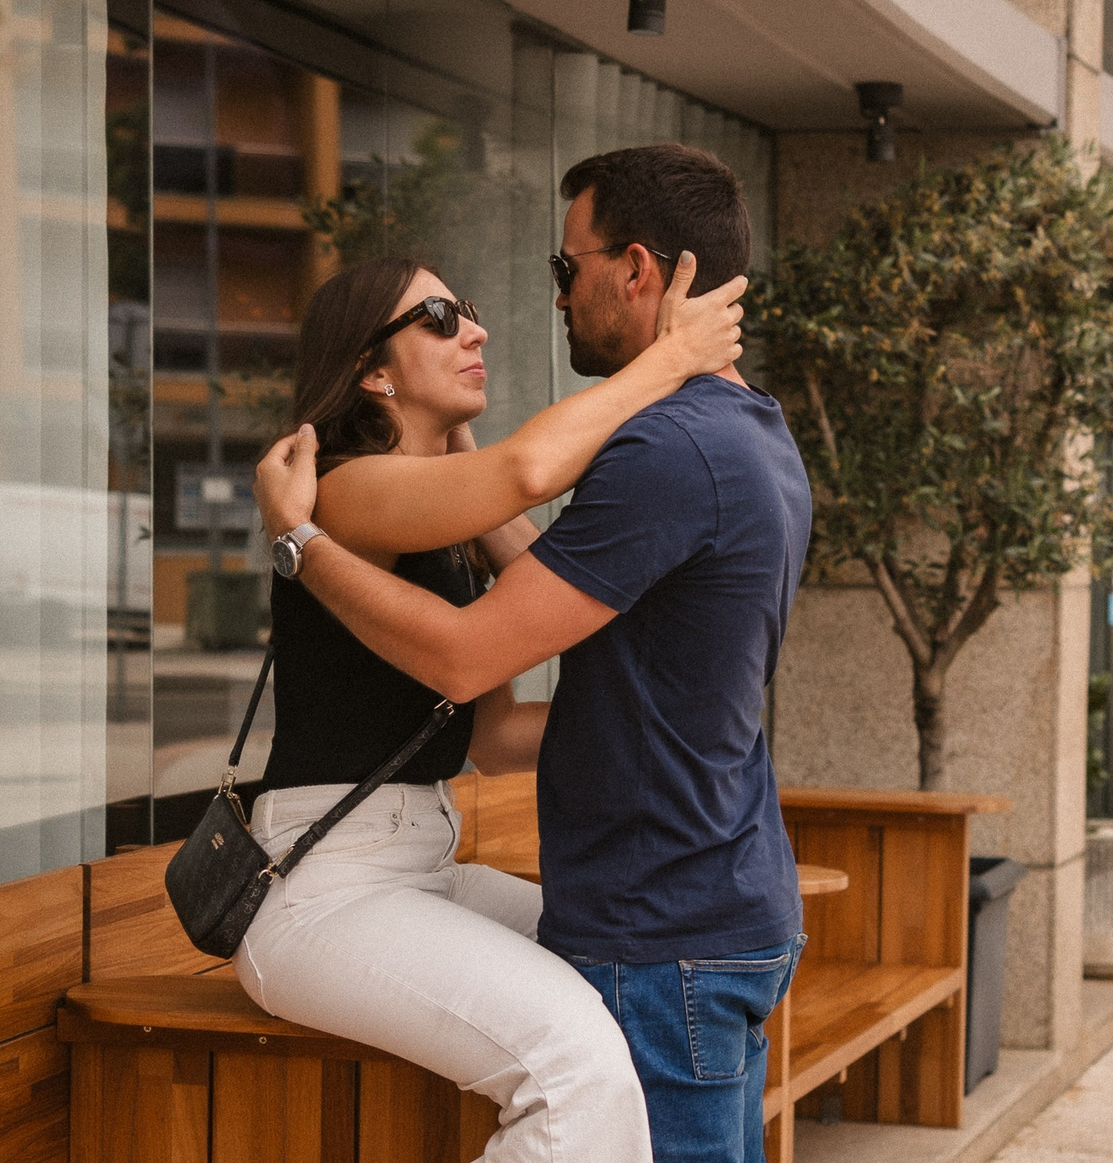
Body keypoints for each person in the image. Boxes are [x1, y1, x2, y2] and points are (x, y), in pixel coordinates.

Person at [251, 143, 813, 1163]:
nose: (478, 327)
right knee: (579, 1064)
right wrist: (670, 360)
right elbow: (526, 472)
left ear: (633, 266)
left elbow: (501, 725)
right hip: (324, 875)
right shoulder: (341, 490)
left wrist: (677, 717)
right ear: (372, 369)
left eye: (471, 309)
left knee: (593, 1024)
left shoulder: (449, 523)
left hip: (423, 858)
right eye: (436, 317)